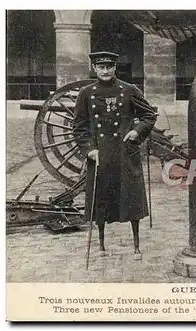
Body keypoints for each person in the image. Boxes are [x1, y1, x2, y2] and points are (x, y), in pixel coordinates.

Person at [72, 51, 157, 260]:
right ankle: (101, 245)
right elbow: (79, 127)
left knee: (131, 199)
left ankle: (136, 245)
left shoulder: (129, 90)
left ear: (115, 68)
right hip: (100, 155)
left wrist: (136, 131)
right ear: (94, 68)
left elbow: (149, 115)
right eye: (101, 67)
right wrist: (89, 150)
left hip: (125, 153)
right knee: (100, 199)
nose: (105, 70)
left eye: (109, 66)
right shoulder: (86, 92)